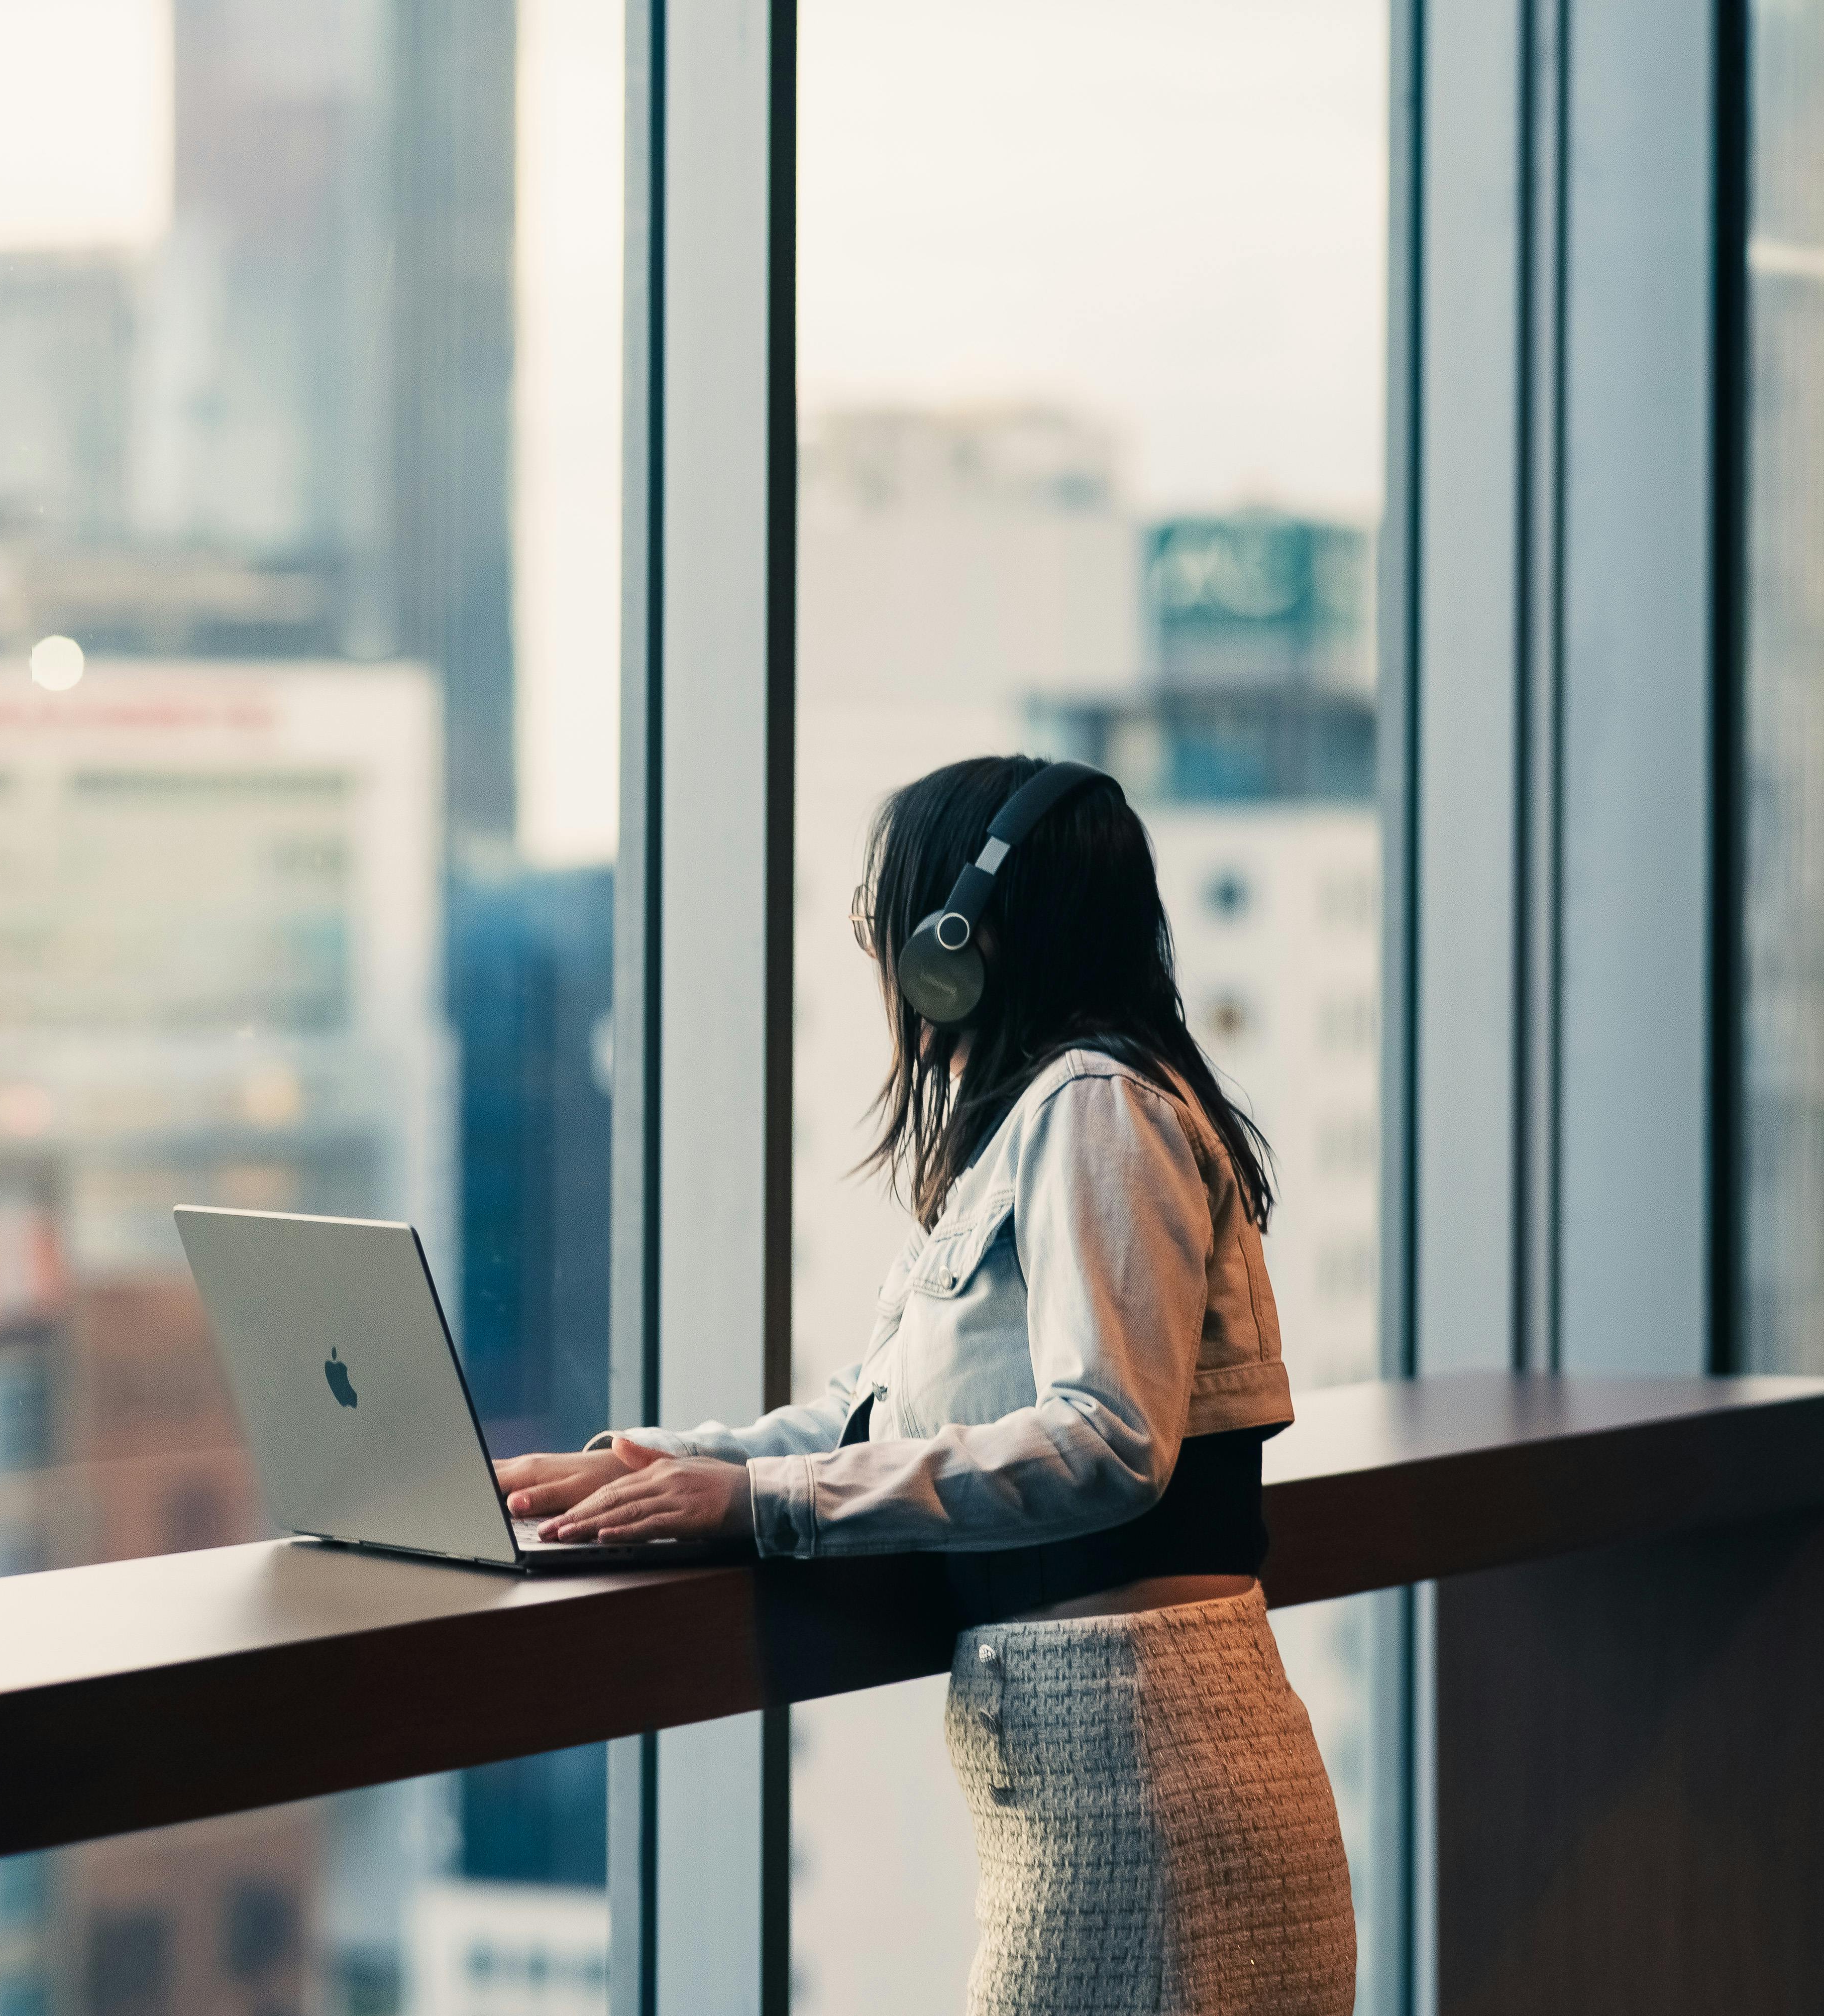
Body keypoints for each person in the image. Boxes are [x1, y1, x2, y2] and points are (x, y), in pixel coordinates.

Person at [493, 754, 1356, 2015]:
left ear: (961, 937)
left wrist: (760, 1506)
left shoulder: (1095, 1106)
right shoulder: (1045, 1119)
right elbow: (879, 1402)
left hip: (1141, 1757)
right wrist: (657, 1467)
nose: (879, 956)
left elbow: (1107, 1442)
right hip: (1104, 1747)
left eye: (880, 919)